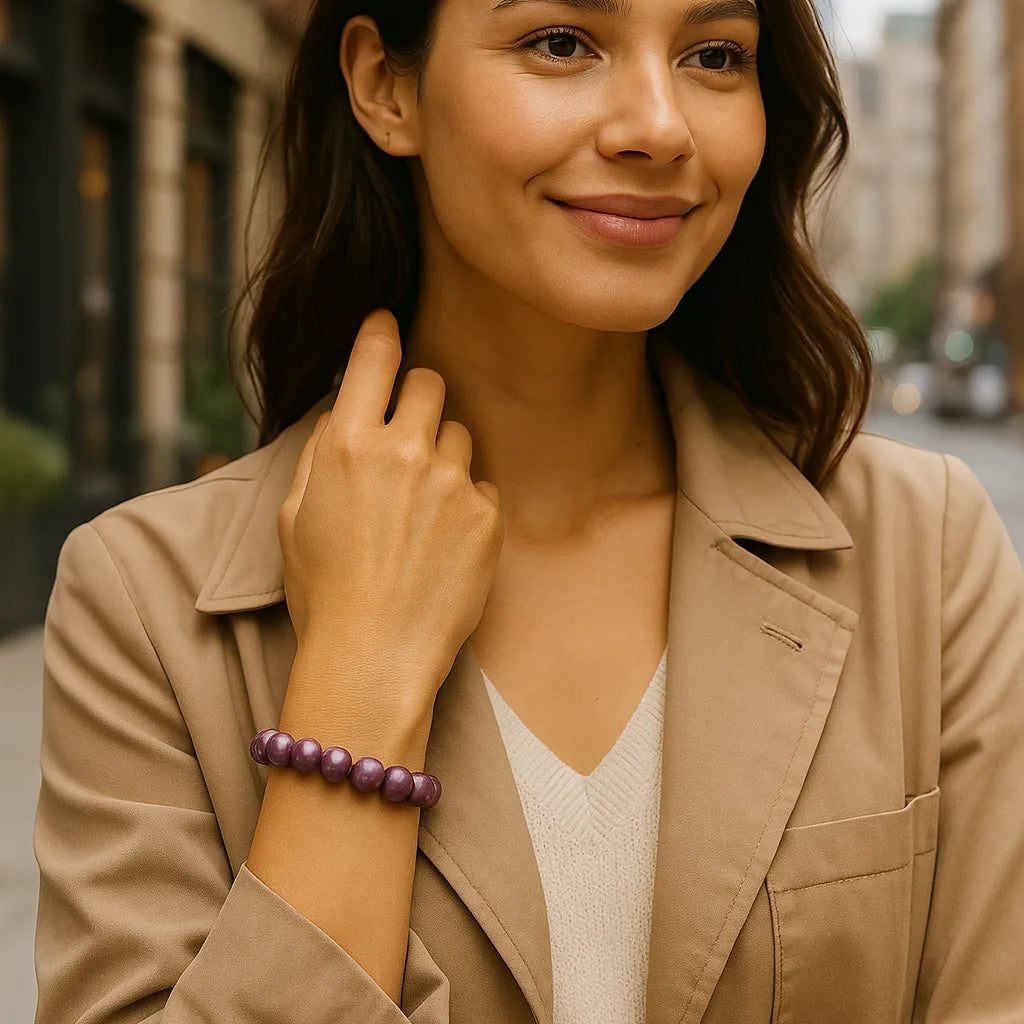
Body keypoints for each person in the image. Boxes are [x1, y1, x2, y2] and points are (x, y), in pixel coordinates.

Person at [32, 0, 1024, 1022]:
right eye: (561, 43)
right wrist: (356, 685)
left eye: (714, 55)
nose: (660, 124)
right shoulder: (147, 602)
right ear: (385, 84)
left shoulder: (923, 548)